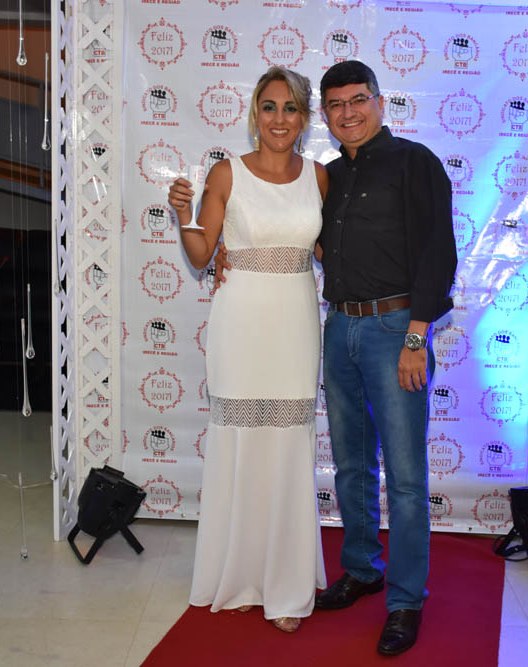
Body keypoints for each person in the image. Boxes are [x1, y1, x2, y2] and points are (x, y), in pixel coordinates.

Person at [217, 60, 457, 655]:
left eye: (358, 100)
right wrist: (230, 248)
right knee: (350, 463)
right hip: (338, 326)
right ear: (324, 114)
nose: (348, 112)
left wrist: (416, 337)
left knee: (405, 477)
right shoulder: (328, 176)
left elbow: (438, 252)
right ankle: (362, 569)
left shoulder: (416, 163)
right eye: (336, 104)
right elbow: (298, 236)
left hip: (396, 329)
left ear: (379, 102)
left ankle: (405, 600)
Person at [168, 66, 329, 633]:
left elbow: (335, 252)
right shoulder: (226, 173)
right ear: (254, 114)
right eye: (269, 106)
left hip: (295, 323)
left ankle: (285, 586)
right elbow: (201, 254)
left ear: (304, 118)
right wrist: (183, 214)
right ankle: (236, 577)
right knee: (239, 444)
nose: (279, 118)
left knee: (287, 445)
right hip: (239, 322)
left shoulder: (320, 177)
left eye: (290, 108)